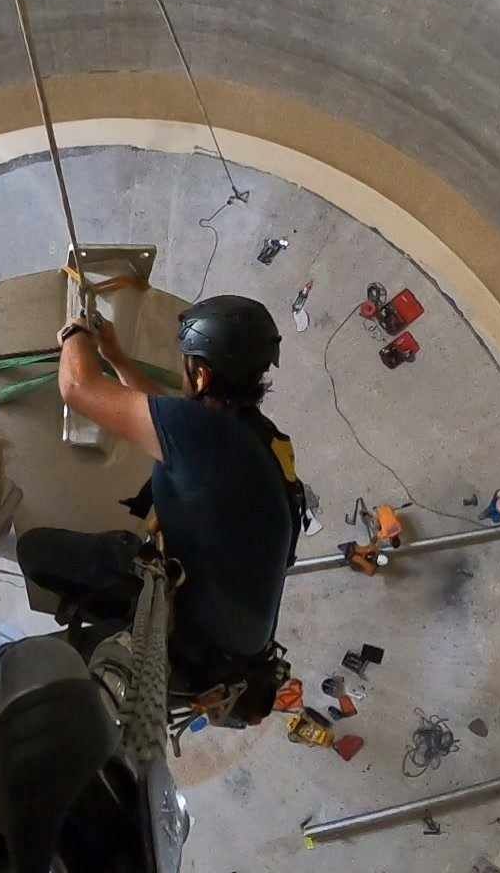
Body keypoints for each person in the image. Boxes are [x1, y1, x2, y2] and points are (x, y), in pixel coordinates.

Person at [33, 295, 305, 702]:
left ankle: (120, 626)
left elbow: (77, 387)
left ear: (201, 376)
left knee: (40, 669)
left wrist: (74, 335)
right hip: (234, 617)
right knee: (39, 553)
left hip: (198, 643)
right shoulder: (249, 431)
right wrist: (117, 359)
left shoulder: (202, 432)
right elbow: (163, 417)